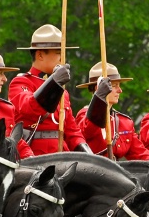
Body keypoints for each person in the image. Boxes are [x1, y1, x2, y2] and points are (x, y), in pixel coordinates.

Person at [9, 24, 90, 154]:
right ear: (40, 55)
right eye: (59, 53)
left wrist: (89, 154)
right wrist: (53, 83)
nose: (63, 59)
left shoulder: (63, 91)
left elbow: (72, 131)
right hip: (34, 155)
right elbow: (29, 107)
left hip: (62, 153)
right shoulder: (21, 82)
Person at [76, 62, 149, 161]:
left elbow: (141, 154)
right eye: (114, 86)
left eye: (119, 85)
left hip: (115, 173)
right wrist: (99, 99)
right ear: (98, 88)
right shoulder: (85, 116)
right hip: (90, 172)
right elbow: (89, 129)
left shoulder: (125, 123)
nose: (120, 90)